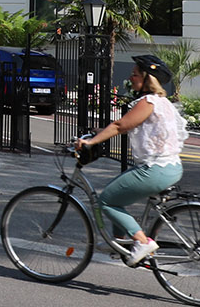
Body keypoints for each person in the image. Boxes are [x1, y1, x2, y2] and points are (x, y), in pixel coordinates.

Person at [76, 53, 188, 267]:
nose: (131, 78)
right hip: (171, 166)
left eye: (135, 74)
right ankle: (121, 242)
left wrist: (90, 143)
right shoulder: (162, 102)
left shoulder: (148, 101)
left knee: (107, 201)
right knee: (117, 193)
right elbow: (134, 127)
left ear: (148, 79)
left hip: (155, 169)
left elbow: (121, 126)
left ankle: (141, 242)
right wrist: (99, 132)